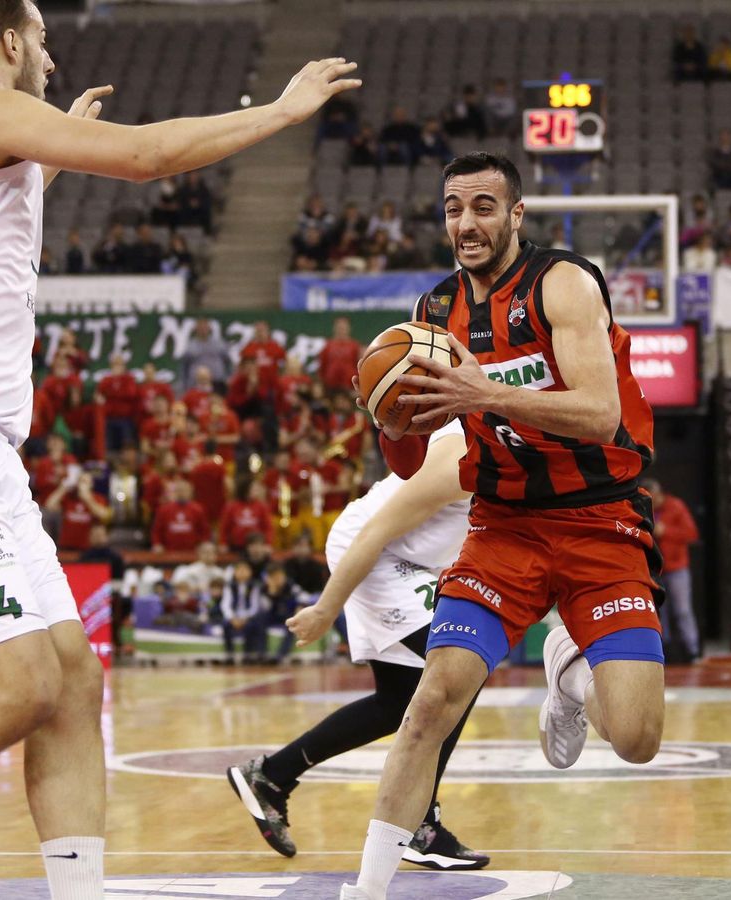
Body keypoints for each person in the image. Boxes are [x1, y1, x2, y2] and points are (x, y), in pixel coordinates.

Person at [0, 1, 357, 891]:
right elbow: (148, 157)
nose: (51, 53)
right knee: (23, 686)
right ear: (10, 42)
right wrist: (280, 112)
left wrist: (47, 162)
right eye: (42, 36)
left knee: (74, 679)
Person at [342, 152, 663, 900]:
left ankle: (567, 671)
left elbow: (599, 413)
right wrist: (390, 415)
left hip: (600, 520)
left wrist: (485, 393)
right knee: (432, 700)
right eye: (454, 208)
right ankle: (365, 890)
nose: (467, 223)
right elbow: (407, 455)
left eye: (484, 207)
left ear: (516, 215)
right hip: (502, 525)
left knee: (639, 739)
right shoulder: (429, 317)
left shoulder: (563, 284)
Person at [229, 421, 489, 869]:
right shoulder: (461, 456)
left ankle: (272, 775)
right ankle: (419, 824)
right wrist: (325, 610)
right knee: (459, 669)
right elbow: (374, 535)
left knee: (398, 701)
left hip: (405, 555)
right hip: (372, 549)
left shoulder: (517, 444)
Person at [644, 479, 700, 661]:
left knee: (683, 610)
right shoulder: (645, 509)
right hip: (655, 570)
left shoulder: (675, 506)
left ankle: (693, 650)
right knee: (661, 612)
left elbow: (691, 533)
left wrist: (665, 531)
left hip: (677, 568)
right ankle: (664, 651)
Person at [180, 319, 233, 391]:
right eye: (200, 328)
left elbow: (228, 361)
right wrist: (185, 384)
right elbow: (184, 367)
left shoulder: (219, 344)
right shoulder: (190, 346)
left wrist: (229, 377)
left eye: (205, 327)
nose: (203, 330)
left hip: (217, 382)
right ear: (195, 329)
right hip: (196, 384)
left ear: (209, 328)